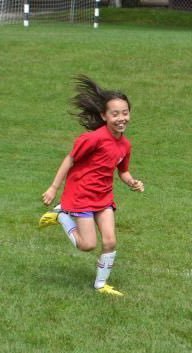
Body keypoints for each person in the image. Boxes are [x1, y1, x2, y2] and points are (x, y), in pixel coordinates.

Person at [39, 75, 144, 296]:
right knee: (87, 245)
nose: (121, 118)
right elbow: (70, 160)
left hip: (103, 197)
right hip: (81, 197)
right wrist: (52, 187)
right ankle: (61, 216)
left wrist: (132, 182)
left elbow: (122, 171)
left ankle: (100, 285)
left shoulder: (125, 144)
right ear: (104, 116)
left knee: (110, 241)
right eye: (115, 114)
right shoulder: (93, 139)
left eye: (125, 112)